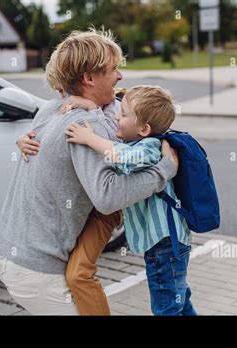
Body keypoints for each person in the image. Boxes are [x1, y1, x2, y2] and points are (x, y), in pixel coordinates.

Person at [0, 28, 179, 315]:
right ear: (89, 78)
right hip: (38, 271)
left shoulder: (53, 108)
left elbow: (133, 110)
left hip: (5, 250)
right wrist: (162, 171)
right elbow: (108, 196)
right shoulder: (86, 126)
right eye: (113, 69)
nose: (120, 76)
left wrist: (92, 107)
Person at [62, 85, 197, 316]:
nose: (116, 116)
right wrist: (92, 107)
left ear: (144, 129)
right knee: (178, 298)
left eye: (123, 115)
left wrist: (90, 138)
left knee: (166, 306)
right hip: (165, 245)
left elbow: (122, 157)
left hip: (165, 245)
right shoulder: (142, 141)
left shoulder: (150, 147)